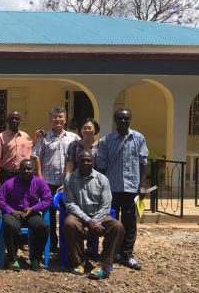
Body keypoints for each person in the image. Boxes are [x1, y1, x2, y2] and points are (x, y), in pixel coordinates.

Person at [96, 108, 148, 270]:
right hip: (111, 189)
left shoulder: (138, 138)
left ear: (130, 119)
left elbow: (143, 163)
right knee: (111, 223)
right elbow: (101, 167)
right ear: (115, 120)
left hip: (132, 188)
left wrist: (143, 185)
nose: (123, 121)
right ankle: (111, 253)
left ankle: (126, 254)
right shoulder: (106, 140)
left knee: (130, 223)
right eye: (120, 118)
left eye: (126, 118)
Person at [63, 150, 125, 279]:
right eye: (82, 160)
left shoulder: (102, 179)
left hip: (99, 216)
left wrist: (94, 221)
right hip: (78, 216)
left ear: (93, 162)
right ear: (77, 162)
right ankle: (79, 261)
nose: (86, 163)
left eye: (88, 160)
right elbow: (71, 204)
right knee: (69, 224)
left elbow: (106, 204)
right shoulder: (69, 179)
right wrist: (88, 221)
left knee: (117, 227)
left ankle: (104, 265)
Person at [31, 106, 78, 250]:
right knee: (49, 214)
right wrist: (40, 179)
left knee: (68, 212)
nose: (58, 119)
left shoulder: (74, 137)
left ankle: (66, 243)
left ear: (65, 119)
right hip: (48, 182)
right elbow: (36, 157)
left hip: (68, 183)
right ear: (50, 119)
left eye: (60, 117)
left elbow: (79, 158)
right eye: (55, 117)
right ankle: (52, 242)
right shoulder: (44, 137)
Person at [0, 159, 52, 271]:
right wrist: (11, 210)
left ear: (34, 170)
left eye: (29, 169)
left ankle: (36, 259)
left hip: (31, 213)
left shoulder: (40, 182)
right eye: (23, 169)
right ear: (19, 170)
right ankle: (13, 259)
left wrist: (33, 208)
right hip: (13, 213)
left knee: (43, 227)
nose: (26, 171)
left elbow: (48, 199)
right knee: (10, 225)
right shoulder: (9, 183)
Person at [0, 111, 33, 189]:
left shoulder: (25, 136)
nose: (14, 121)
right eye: (11, 118)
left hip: (23, 174)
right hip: (6, 175)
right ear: (7, 121)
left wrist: (38, 136)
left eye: (16, 119)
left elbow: (32, 151)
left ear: (20, 121)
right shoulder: (1, 137)